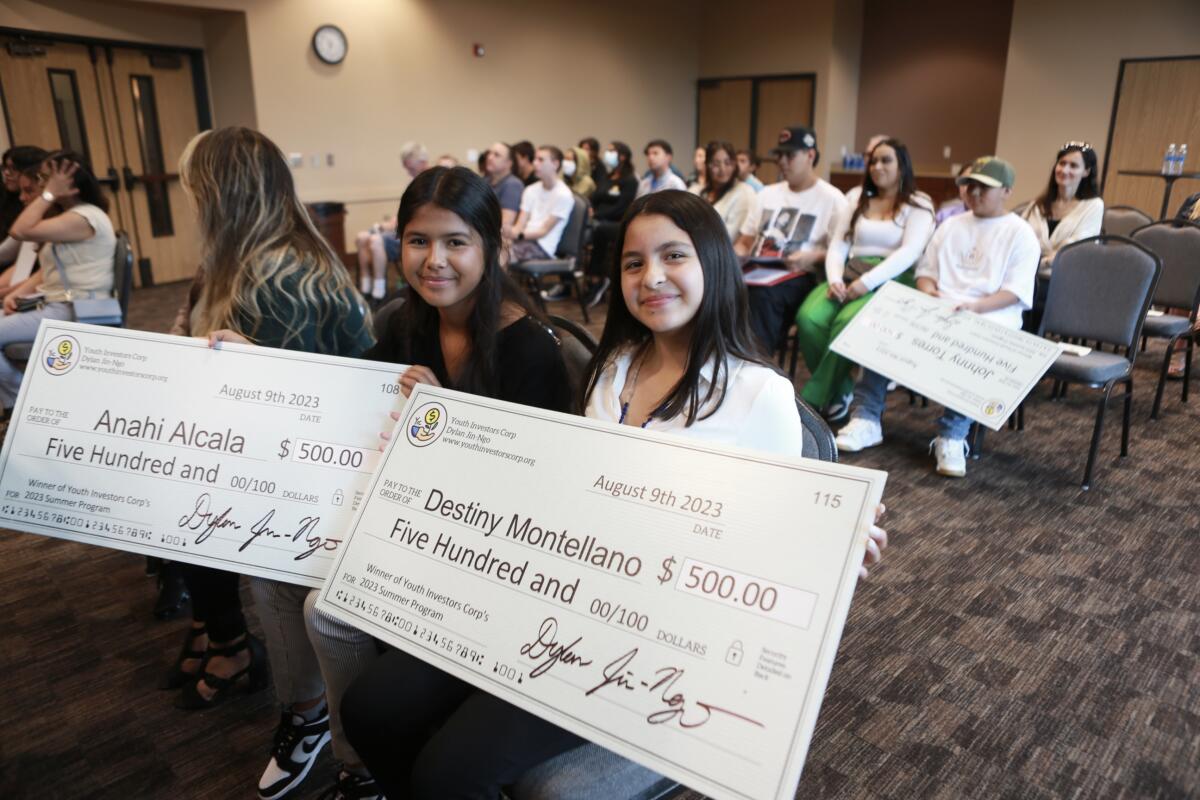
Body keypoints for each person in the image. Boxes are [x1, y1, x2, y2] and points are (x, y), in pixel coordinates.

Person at [334, 165, 574, 799]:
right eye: (418, 241)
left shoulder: (530, 350)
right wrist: (250, 357)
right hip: (427, 549)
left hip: (503, 576)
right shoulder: (407, 325)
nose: (433, 261)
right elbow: (339, 390)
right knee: (366, 710)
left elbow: (541, 498)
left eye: (455, 242)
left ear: (492, 248)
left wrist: (452, 423)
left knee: (434, 752)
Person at [168, 128, 375, 800]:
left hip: (331, 472)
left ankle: (336, 741)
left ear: (222, 194)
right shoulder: (254, 261)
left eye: (196, 190)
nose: (191, 203)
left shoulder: (277, 275)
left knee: (273, 574)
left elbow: (293, 410)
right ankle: (304, 711)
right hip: (301, 463)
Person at [835, 156, 1040, 478]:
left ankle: (952, 436)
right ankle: (867, 418)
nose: (973, 192)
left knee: (970, 337)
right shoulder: (951, 225)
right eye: (968, 185)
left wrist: (974, 307)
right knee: (882, 320)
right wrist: (929, 294)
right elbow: (926, 273)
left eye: (983, 188)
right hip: (941, 306)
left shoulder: (1020, 234)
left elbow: (1014, 292)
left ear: (1007, 191)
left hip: (990, 313)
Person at [795, 138, 935, 421]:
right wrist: (835, 279)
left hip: (891, 278)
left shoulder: (918, 203)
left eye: (886, 160)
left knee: (848, 323)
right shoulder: (858, 198)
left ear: (902, 166)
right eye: (873, 161)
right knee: (809, 318)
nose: (877, 166)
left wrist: (866, 283)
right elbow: (838, 245)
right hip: (850, 273)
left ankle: (811, 400)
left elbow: (909, 252)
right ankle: (841, 390)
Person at [2, 152, 115, 412]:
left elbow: (20, 231)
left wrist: (49, 195)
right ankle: (18, 400)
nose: (42, 185)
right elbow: (47, 272)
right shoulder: (73, 215)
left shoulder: (83, 218)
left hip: (74, 310)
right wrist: (16, 293)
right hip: (59, 306)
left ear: (69, 183)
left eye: (45, 179)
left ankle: (19, 402)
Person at [734, 126, 849, 354]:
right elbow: (744, 242)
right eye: (779, 155)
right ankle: (722, 359)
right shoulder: (766, 193)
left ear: (810, 155)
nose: (782, 162)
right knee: (719, 287)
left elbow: (842, 252)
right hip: (758, 270)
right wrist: (733, 257)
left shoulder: (833, 199)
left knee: (761, 297)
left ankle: (755, 362)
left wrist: (814, 256)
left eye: (790, 155)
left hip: (799, 276)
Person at [1020, 141, 1103, 270]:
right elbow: (1018, 236)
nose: (1065, 170)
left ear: (1086, 172)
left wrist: (1041, 264)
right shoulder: (1038, 204)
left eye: (1073, 166)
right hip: (1027, 273)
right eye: (1062, 163)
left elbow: (1078, 249)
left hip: (1065, 278)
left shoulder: (1094, 205)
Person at [575, 141, 638, 306]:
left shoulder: (630, 180)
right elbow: (595, 198)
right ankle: (574, 276)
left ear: (622, 156)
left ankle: (596, 278)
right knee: (585, 230)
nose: (607, 154)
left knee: (598, 230)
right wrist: (590, 209)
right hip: (597, 219)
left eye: (611, 151)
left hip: (617, 222)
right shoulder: (607, 177)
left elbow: (621, 207)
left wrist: (596, 214)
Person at [510, 146, 574, 262]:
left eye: (541, 160)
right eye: (535, 159)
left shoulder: (564, 195)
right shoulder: (530, 190)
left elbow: (543, 231)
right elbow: (520, 224)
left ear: (555, 164)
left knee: (504, 254)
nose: (535, 163)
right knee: (494, 248)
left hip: (542, 246)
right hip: (524, 239)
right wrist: (510, 233)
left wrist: (517, 235)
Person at [690, 139, 757, 239]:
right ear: (707, 165)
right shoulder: (696, 191)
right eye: (716, 164)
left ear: (734, 165)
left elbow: (729, 236)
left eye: (728, 163)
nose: (722, 169)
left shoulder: (744, 192)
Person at [0, 145, 48, 240]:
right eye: (5, 167)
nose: (6, 173)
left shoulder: (44, 202)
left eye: (13, 168)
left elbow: (17, 233)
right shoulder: (6, 199)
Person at [482, 141, 524, 236]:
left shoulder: (513, 184)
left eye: (496, 155)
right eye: (490, 153)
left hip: (494, 237)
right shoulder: (485, 180)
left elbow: (505, 224)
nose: (489, 157)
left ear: (509, 163)